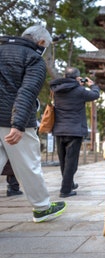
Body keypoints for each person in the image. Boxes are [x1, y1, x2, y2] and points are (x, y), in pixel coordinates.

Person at [0, 25, 66, 222]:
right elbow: (26, 91)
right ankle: (42, 207)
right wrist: (18, 124)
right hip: (13, 120)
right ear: (41, 43)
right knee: (28, 164)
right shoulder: (33, 58)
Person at [49, 67, 100, 197]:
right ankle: (65, 190)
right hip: (74, 131)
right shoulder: (80, 91)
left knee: (63, 160)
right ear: (77, 78)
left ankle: (69, 183)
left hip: (59, 130)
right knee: (71, 161)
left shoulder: (56, 90)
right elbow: (95, 95)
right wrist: (92, 85)